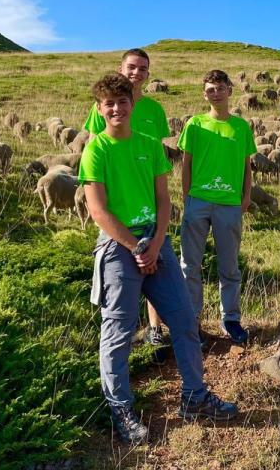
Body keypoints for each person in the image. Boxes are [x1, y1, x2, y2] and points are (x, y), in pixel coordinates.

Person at [80, 73, 237, 445]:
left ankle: (195, 397)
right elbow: (98, 210)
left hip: (156, 239)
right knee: (118, 331)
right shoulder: (96, 149)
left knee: (184, 319)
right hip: (118, 245)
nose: (117, 108)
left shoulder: (149, 145)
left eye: (122, 102)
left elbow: (164, 200)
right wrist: (137, 248)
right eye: (109, 104)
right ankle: (120, 407)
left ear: (132, 105)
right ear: (100, 110)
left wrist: (156, 242)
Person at [83, 48, 170, 347]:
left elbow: (155, 155)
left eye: (142, 69)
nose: (136, 73)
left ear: (148, 74)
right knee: (123, 281)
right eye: (131, 67)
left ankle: (155, 328)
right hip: (115, 208)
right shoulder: (103, 106)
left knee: (155, 268)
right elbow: (95, 144)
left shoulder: (155, 111)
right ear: (121, 68)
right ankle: (121, 337)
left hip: (146, 203)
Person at [177, 70, 256, 344]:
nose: (215, 93)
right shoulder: (195, 125)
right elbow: (185, 163)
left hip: (229, 204)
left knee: (229, 265)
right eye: (210, 89)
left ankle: (230, 319)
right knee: (190, 264)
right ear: (204, 93)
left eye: (220, 88)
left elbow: (247, 166)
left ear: (230, 90)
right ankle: (192, 320)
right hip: (197, 202)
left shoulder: (241, 127)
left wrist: (246, 196)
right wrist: (187, 197)